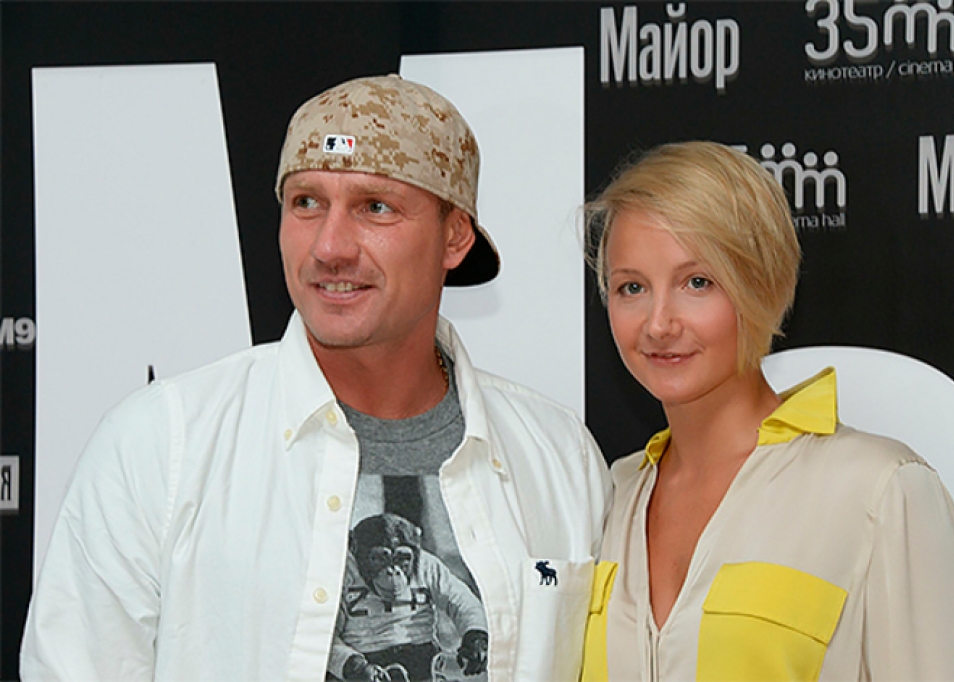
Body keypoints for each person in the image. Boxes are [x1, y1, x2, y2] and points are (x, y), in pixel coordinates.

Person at [21, 74, 610, 682]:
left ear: (455, 236)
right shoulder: (160, 446)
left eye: (375, 207)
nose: (329, 247)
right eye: (306, 203)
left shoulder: (559, 457)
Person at [579, 141, 954, 681]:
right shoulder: (610, 496)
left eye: (697, 282)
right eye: (631, 287)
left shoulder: (880, 490)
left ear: (761, 284)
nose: (658, 324)